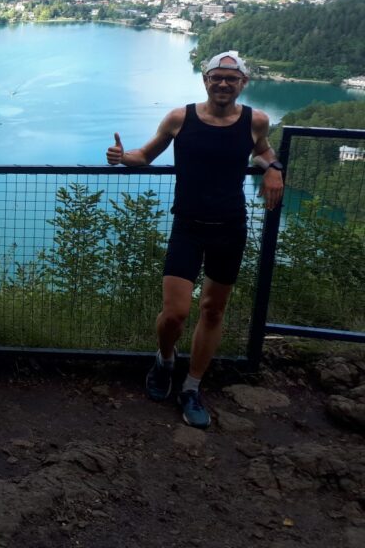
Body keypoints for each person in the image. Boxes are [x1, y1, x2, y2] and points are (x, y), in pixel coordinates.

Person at [105, 51, 284, 428]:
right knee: (175, 314)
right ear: (205, 80)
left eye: (231, 79)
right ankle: (165, 359)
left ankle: (191, 386)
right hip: (187, 226)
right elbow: (146, 155)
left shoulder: (256, 121)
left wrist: (275, 169)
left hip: (230, 227)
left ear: (242, 84)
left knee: (213, 311)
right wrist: (123, 157)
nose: (223, 84)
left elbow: (263, 150)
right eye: (217, 77)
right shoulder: (179, 118)